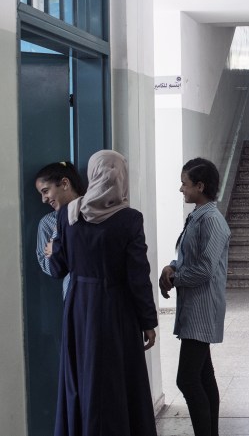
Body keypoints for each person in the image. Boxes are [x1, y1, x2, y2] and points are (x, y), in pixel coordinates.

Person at [48, 150, 158, 436]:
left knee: (82, 375)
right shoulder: (129, 219)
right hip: (116, 306)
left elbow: (59, 267)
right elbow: (138, 275)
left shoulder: (69, 215)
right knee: (116, 377)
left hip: (79, 307)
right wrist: (148, 321)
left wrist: (52, 252)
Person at [160, 158, 230, 436]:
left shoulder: (211, 220)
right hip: (194, 307)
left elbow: (204, 269)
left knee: (187, 380)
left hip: (203, 308)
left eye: (184, 183)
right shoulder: (198, 216)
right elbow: (188, 257)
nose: (181, 189)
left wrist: (176, 277)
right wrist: (172, 266)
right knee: (203, 376)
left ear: (200, 186)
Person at [34, 161, 86, 299]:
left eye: (45, 191)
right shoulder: (47, 223)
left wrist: (58, 247)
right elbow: (50, 268)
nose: (43, 199)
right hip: (72, 294)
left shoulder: (93, 213)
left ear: (64, 184)